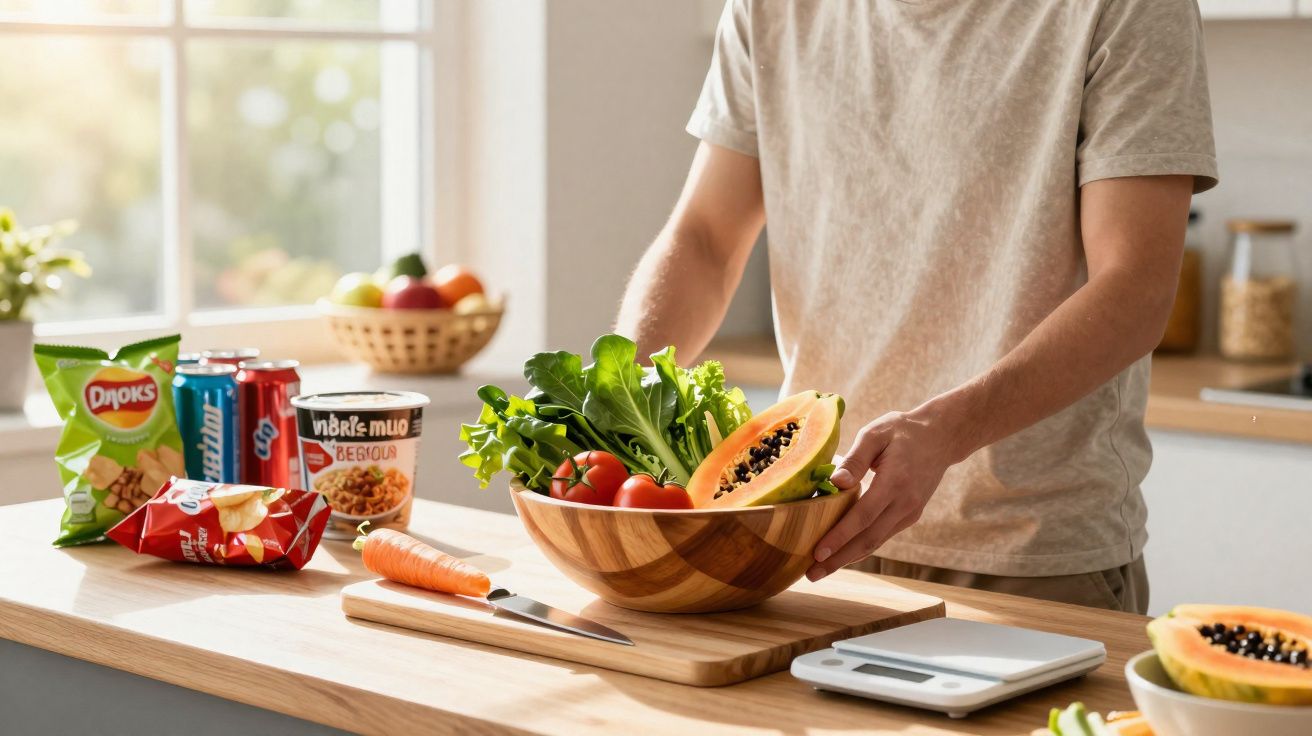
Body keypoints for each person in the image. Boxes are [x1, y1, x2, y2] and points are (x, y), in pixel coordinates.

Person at [614, 0, 1218, 613]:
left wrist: (947, 432)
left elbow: (1136, 287)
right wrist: (618, 390)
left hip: (1027, 556)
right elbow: (706, 241)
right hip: (808, 534)